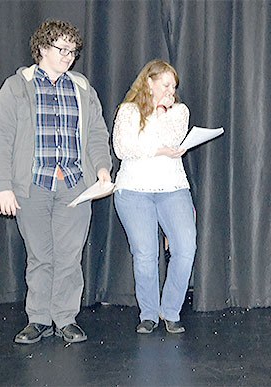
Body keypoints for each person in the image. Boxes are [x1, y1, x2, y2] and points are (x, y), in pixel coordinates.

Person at [0, 19, 112, 344]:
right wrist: (3, 185)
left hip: (75, 183)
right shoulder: (16, 87)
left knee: (70, 257)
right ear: (42, 48)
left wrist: (102, 169)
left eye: (73, 51)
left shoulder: (82, 87)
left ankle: (66, 319)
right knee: (40, 256)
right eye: (62, 49)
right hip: (33, 185)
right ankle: (39, 319)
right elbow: (0, 137)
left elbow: (98, 133)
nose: (69, 56)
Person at [113, 59, 196, 335]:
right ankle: (148, 313)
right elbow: (124, 148)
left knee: (185, 248)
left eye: (174, 86)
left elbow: (173, 141)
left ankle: (170, 310)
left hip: (172, 188)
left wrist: (159, 119)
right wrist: (158, 147)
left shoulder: (179, 112)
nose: (171, 91)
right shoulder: (127, 111)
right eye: (166, 84)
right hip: (133, 190)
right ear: (149, 82)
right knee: (146, 253)